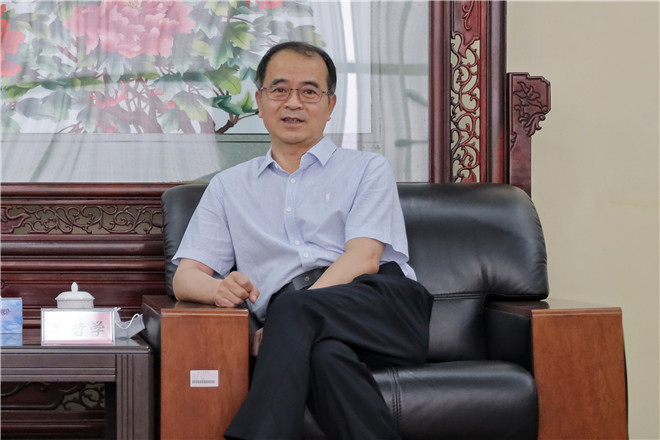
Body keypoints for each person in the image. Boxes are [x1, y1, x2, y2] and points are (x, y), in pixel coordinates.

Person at [172, 41, 433, 440]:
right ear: (260, 102)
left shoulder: (367, 169)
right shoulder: (228, 188)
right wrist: (218, 289)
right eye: (280, 90)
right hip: (301, 326)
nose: (293, 102)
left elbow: (364, 258)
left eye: (309, 92)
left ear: (330, 105)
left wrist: (285, 324)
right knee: (327, 358)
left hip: (381, 305)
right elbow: (185, 277)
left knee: (293, 310)